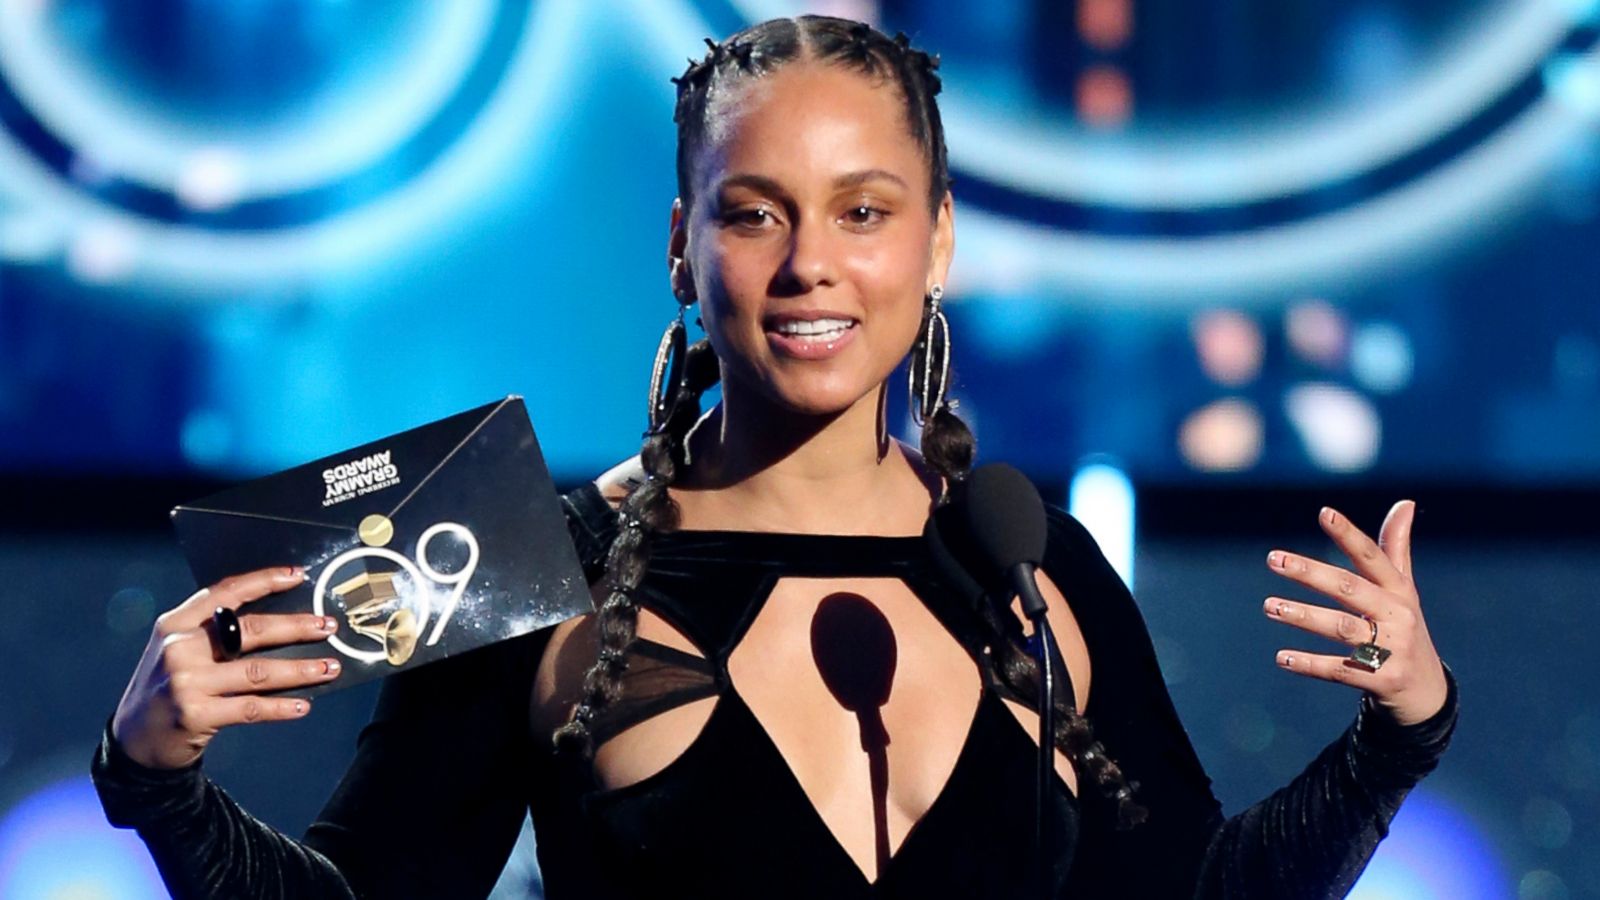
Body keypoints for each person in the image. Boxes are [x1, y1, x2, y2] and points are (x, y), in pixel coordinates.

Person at [92, 15, 1458, 899]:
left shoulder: (1038, 566)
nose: (812, 263)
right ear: (682, 247)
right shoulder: (530, 559)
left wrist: (1397, 739)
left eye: (865, 210)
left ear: (936, 246)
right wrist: (161, 784)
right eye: (754, 214)